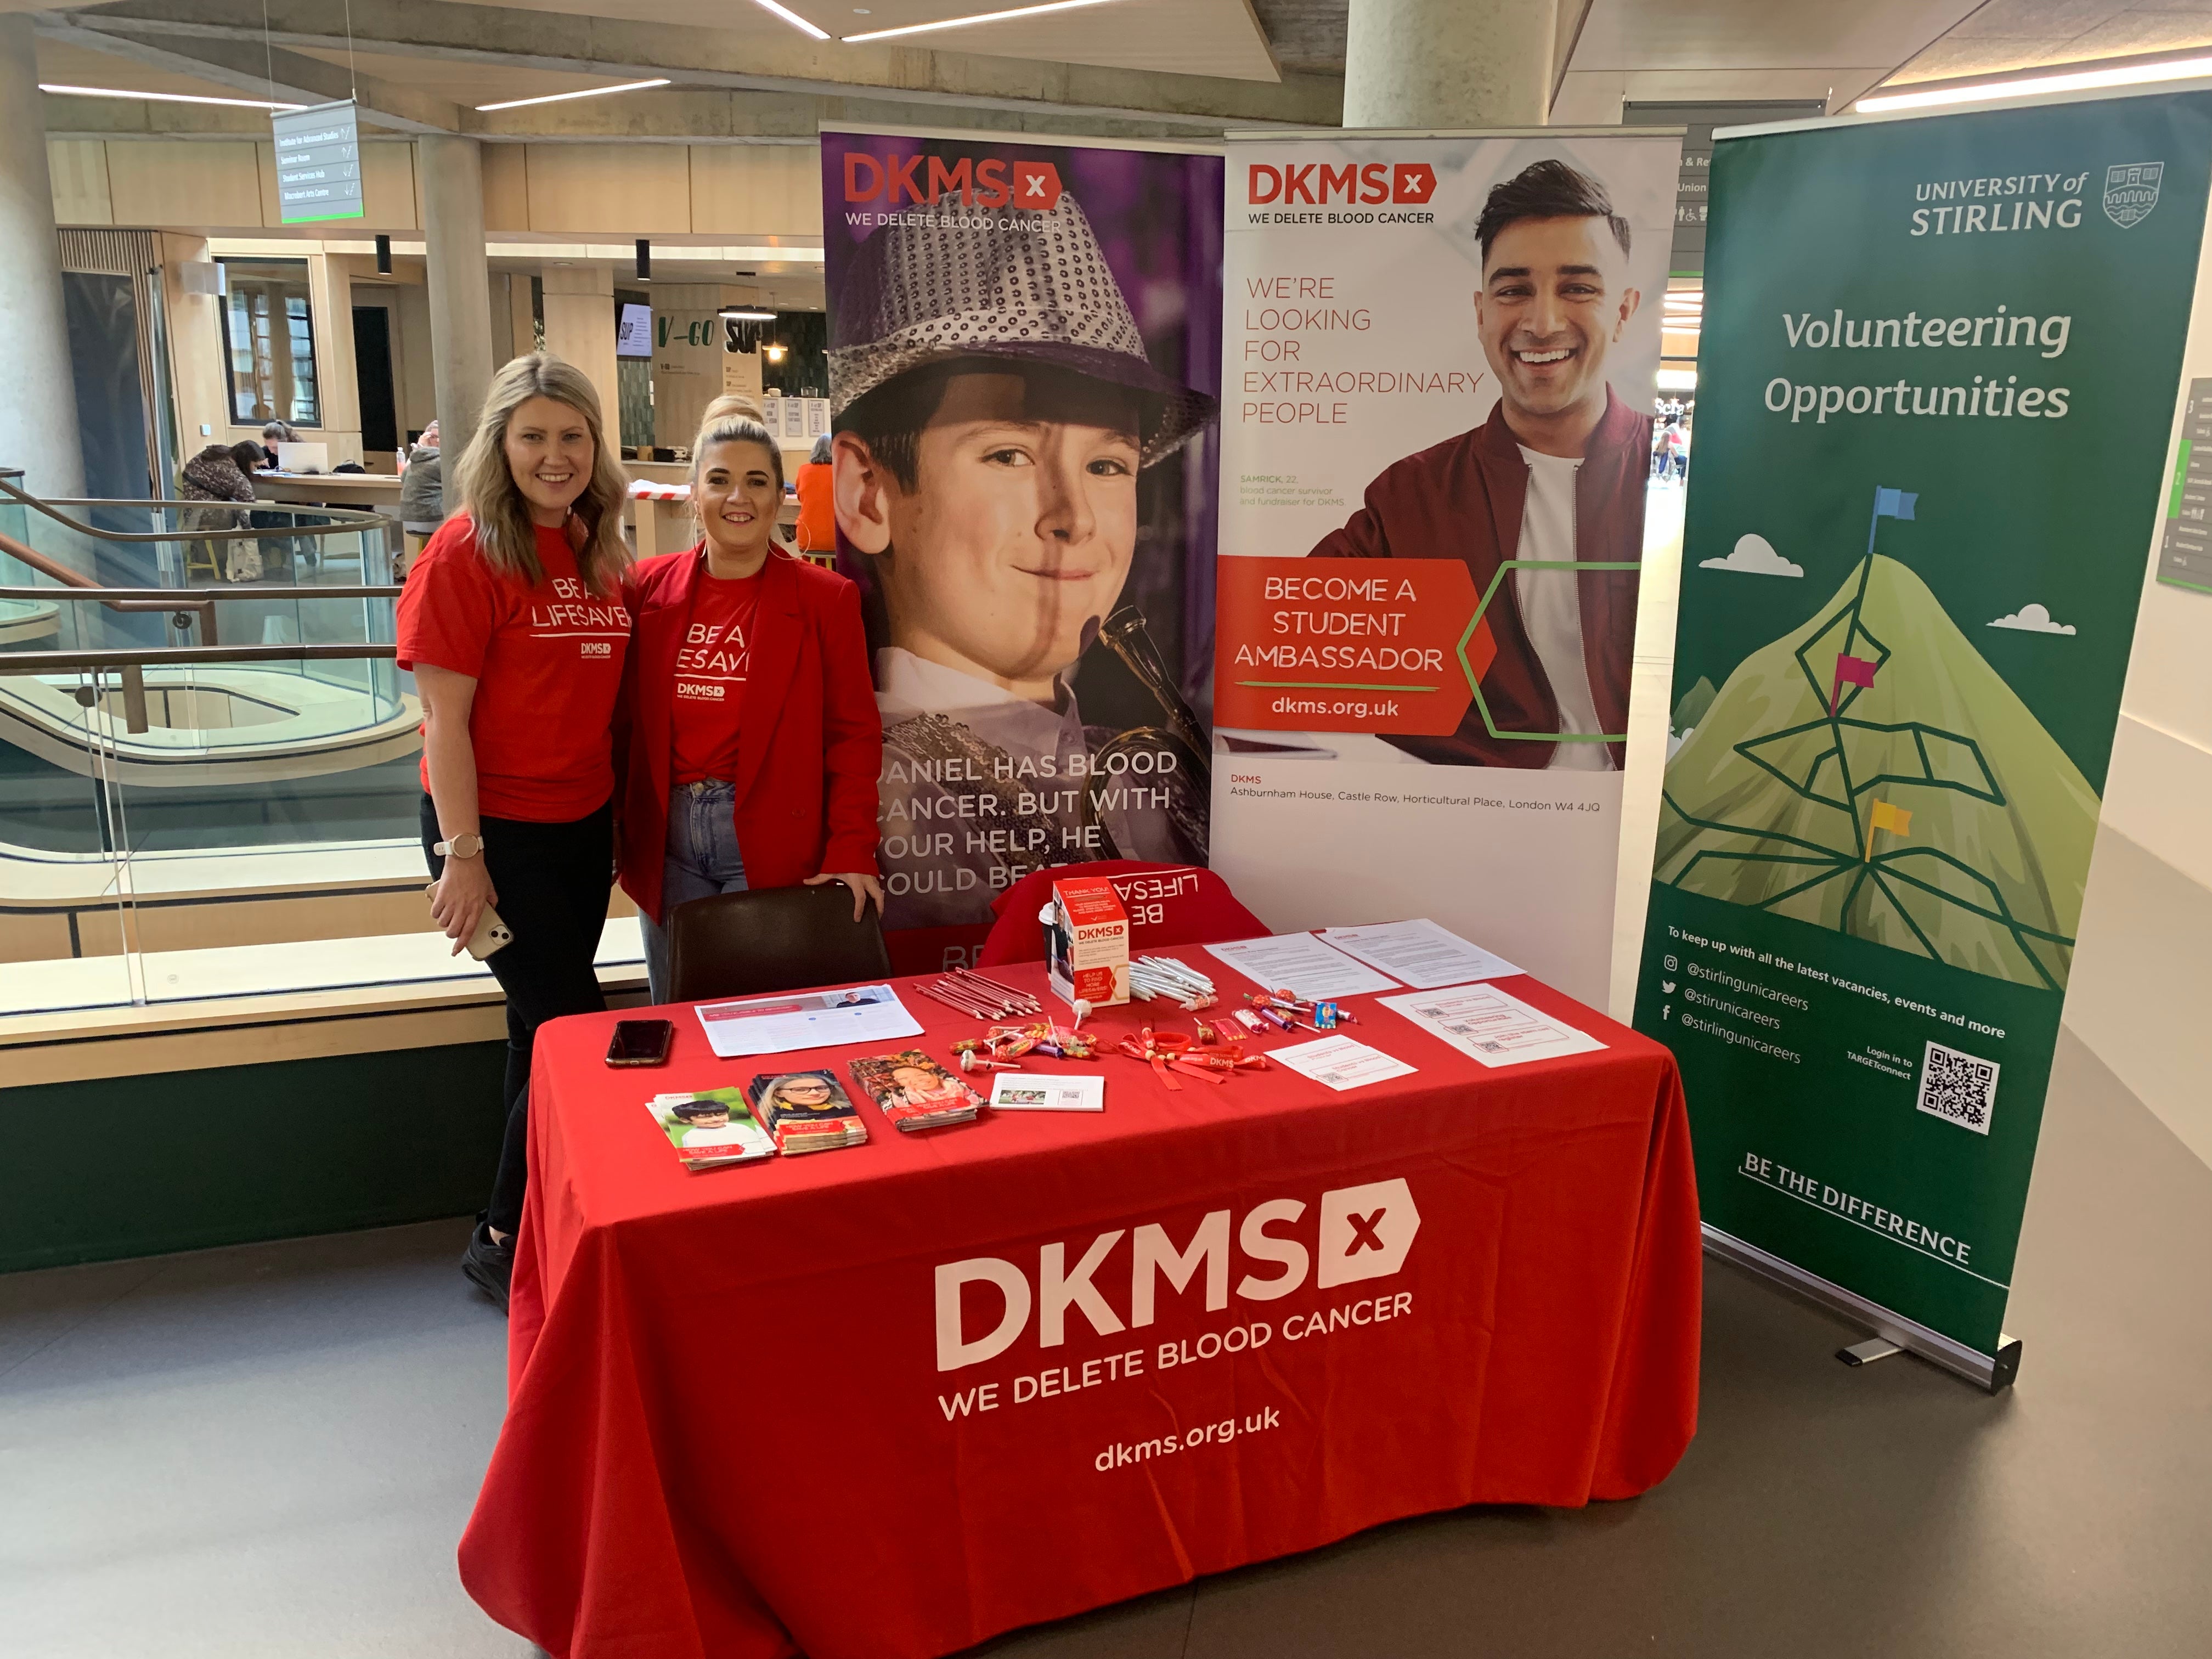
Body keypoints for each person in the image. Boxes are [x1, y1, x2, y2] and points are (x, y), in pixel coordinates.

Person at [828, 193, 1217, 933]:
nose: (1072, 517)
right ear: (869, 496)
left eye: (1108, 466)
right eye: (1008, 455)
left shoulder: (1156, 777)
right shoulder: (855, 794)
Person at [396, 354, 634, 1310]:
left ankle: (524, 1219)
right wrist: (463, 857)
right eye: (533, 435)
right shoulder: (464, 552)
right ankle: (503, 1232)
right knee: (576, 1029)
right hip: (492, 833)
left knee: (533, 1034)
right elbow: (442, 722)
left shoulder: (595, 546)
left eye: (572, 436)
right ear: (499, 443)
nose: (555, 455)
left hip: (578, 828)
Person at [1310, 157, 1648, 770]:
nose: (1542, 323)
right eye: (1514, 290)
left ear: (1624, 311)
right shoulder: (1411, 494)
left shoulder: (1680, 483)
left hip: (1642, 837)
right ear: (1482, 312)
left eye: (1578, 288)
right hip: (1468, 829)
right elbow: (1295, 655)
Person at [616, 403, 883, 1006]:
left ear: (779, 496)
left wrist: (852, 847)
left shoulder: (826, 601)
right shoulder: (644, 590)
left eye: (756, 481)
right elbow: (622, 726)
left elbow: (853, 736)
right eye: (719, 480)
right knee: (681, 1017)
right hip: (668, 847)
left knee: (775, 1018)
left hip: (769, 838)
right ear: (693, 494)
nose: (738, 497)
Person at [178, 440, 267, 582]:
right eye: (255, 465)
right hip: (202, 512)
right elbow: (250, 503)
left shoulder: (217, 452)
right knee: (257, 518)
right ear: (246, 461)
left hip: (189, 504)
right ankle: (261, 562)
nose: (255, 470)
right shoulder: (234, 475)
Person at [399, 419, 443, 572]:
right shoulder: (441, 461)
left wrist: (419, 448)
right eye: (433, 437)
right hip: (433, 520)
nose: (437, 441)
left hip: (408, 522)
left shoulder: (416, 458)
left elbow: (403, 477)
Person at [794, 433, 835, 559]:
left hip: (807, 539)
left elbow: (799, 496)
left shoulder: (803, 470)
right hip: (836, 541)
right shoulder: (840, 472)